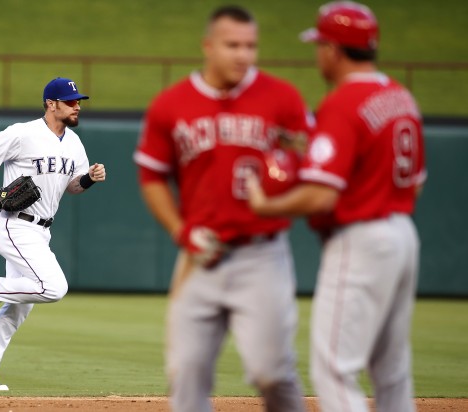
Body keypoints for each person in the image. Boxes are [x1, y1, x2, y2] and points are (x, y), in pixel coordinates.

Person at [245, 2, 426, 411]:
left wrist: (265, 205)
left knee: (334, 368)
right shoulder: (401, 97)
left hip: (361, 238)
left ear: (334, 49)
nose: (318, 54)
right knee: (393, 369)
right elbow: (413, 182)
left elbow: (321, 195)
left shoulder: (343, 103)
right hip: (403, 236)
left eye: (320, 45)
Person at [134, 5, 311, 412]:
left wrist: (287, 179)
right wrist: (181, 231)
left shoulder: (282, 97)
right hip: (200, 256)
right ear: (208, 46)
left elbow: (307, 164)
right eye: (233, 45)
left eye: (251, 46)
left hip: (262, 254)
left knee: (272, 372)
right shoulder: (171, 104)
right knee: (185, 374)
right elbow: (152, 177)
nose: (243, 55)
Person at [0, 77, 106, 391]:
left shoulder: (74, 143)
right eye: (70, 101)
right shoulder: (24, 133)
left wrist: (90, 179)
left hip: (41, 232)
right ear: (51, 104)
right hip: (15, 223)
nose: (77, 106)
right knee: (53, 287)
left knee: (18, 308)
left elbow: (72, 187)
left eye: (78, 101)